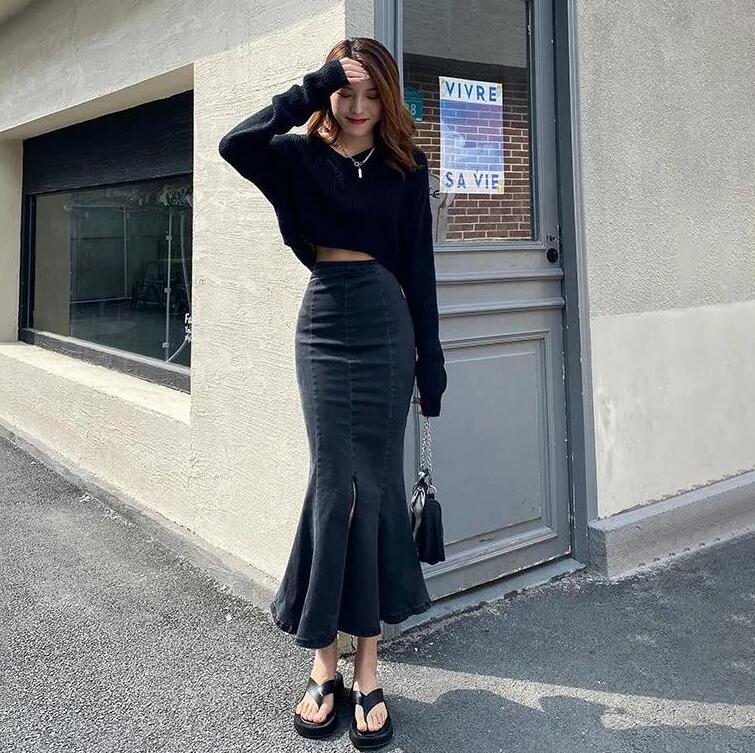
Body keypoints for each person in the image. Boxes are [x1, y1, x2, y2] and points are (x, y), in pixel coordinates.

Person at [218, 36, 447, 750]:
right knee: (332, 488)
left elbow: (420, 272)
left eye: (372, 93)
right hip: (323, 324)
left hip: (387, 328)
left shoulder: (406, 170)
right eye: (346, 91)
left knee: (371, 490)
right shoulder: (298, 158)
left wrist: (431, 364)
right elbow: (235, 144)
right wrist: (310, 87)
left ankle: (368, 664)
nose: (357, 106)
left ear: (388, 99)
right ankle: (324, 662)